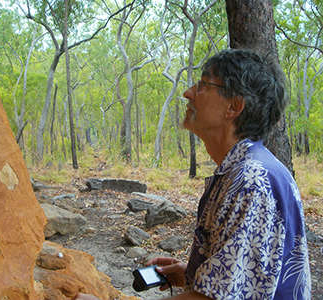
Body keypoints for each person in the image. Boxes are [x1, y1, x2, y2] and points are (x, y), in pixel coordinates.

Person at [74, 49, 311, 300]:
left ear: (234, 106)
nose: (188, 93)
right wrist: (193, 273)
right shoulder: (245, 170)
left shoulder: (250, 180)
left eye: (202, 85)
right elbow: (245, 278)